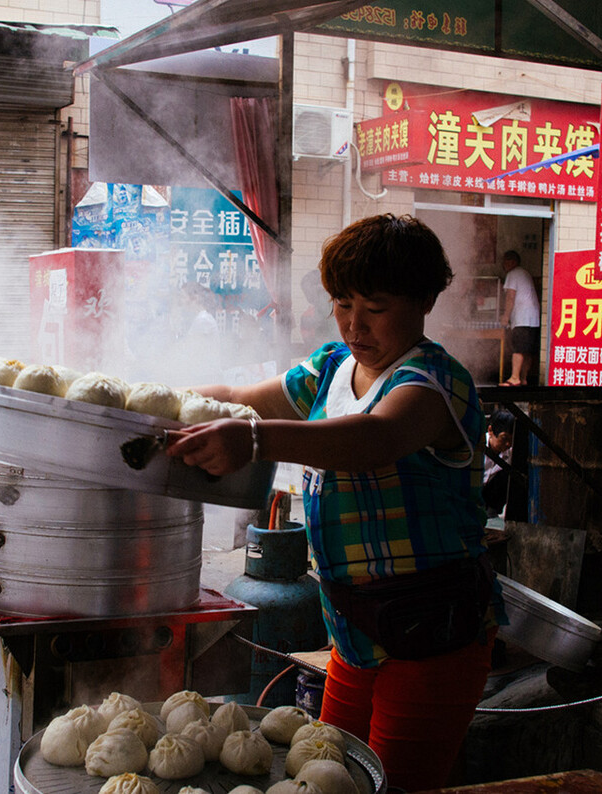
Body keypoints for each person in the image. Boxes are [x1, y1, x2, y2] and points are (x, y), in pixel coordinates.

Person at [167, 214, 503, 790]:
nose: (354, 324)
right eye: (343, 304)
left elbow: (375, 439)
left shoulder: (433, 381)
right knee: (323, 776)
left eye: (374, 307)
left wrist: (253, 440)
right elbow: (240, 397)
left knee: (392, 783)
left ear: (423, 300)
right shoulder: (329, 368)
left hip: (431, 637)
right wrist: (156, 398)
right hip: (353, 633)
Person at [498, 250, 540, 386]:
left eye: (505, 262)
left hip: (522, 317)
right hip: (533, 317)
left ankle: (514, 378)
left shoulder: (512, 274)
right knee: (527, 350)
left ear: (511, 262)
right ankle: (523, 378)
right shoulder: (525, 273)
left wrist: (505, 316)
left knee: (518, 348)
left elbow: (510, 297)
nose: (503, 265)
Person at [483, 409, 515, 518]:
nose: (508, 444)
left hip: (491, 502)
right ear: (490, 430)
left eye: (511, 440)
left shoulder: (510, 453)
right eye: (504, 438)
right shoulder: (477, 445)